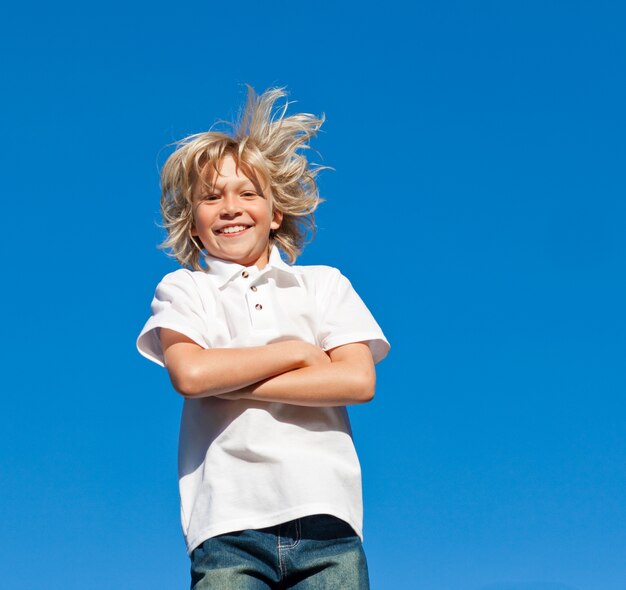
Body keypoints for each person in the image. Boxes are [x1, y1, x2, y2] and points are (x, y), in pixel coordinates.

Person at [136, 86, 390, 589]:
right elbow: (190, 374)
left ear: (276, 214)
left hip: (327, 518)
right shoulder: (184, 288)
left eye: (248, 193)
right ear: (193, 220)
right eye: (211, 197)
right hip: (227, 525)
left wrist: (226, 378)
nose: (230, 206)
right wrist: (297, 353)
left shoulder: (323, 284)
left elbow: (358, 381)